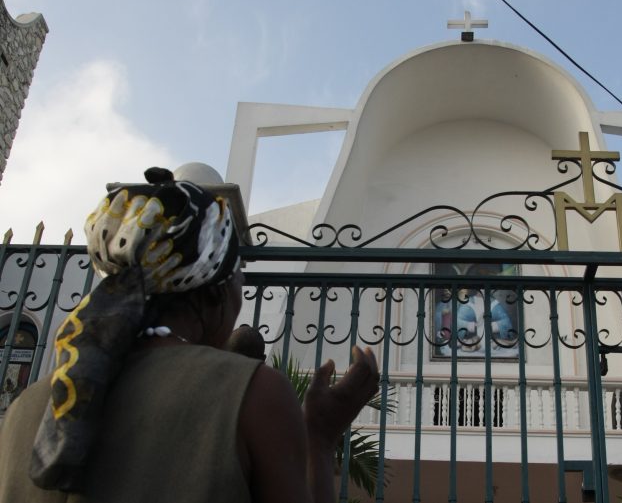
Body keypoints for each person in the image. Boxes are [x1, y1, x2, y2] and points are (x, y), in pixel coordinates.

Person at [0, 167, 379, 503]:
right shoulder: (251, 395)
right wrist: (320, 436)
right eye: (239, 279)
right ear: (216, 291)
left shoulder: (26, 408)